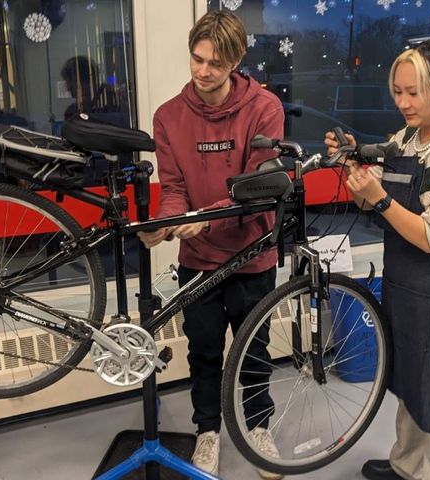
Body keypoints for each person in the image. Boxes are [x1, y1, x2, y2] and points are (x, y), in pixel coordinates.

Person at [324, 40, 430, 480]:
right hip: (404, 280)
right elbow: (379, 199)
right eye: (397, 91)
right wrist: (358, 172)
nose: (402, 102)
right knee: (408, 381)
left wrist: (377, 198)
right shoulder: (406, 138)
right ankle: (407, 464)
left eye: (413, 92)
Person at [138, 11, 284, 480]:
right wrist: (166, 222)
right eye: (197, 59)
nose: (202, 71)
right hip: (198, 262)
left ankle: (259, 427)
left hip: (252, 254)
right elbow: (174, 186)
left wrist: (206, 217)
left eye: (214, 64)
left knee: (254, 347)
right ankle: (207, 432)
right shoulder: (169, 117)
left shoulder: (264, 108)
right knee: (202, 350)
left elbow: (259, 183)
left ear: (236, 61)